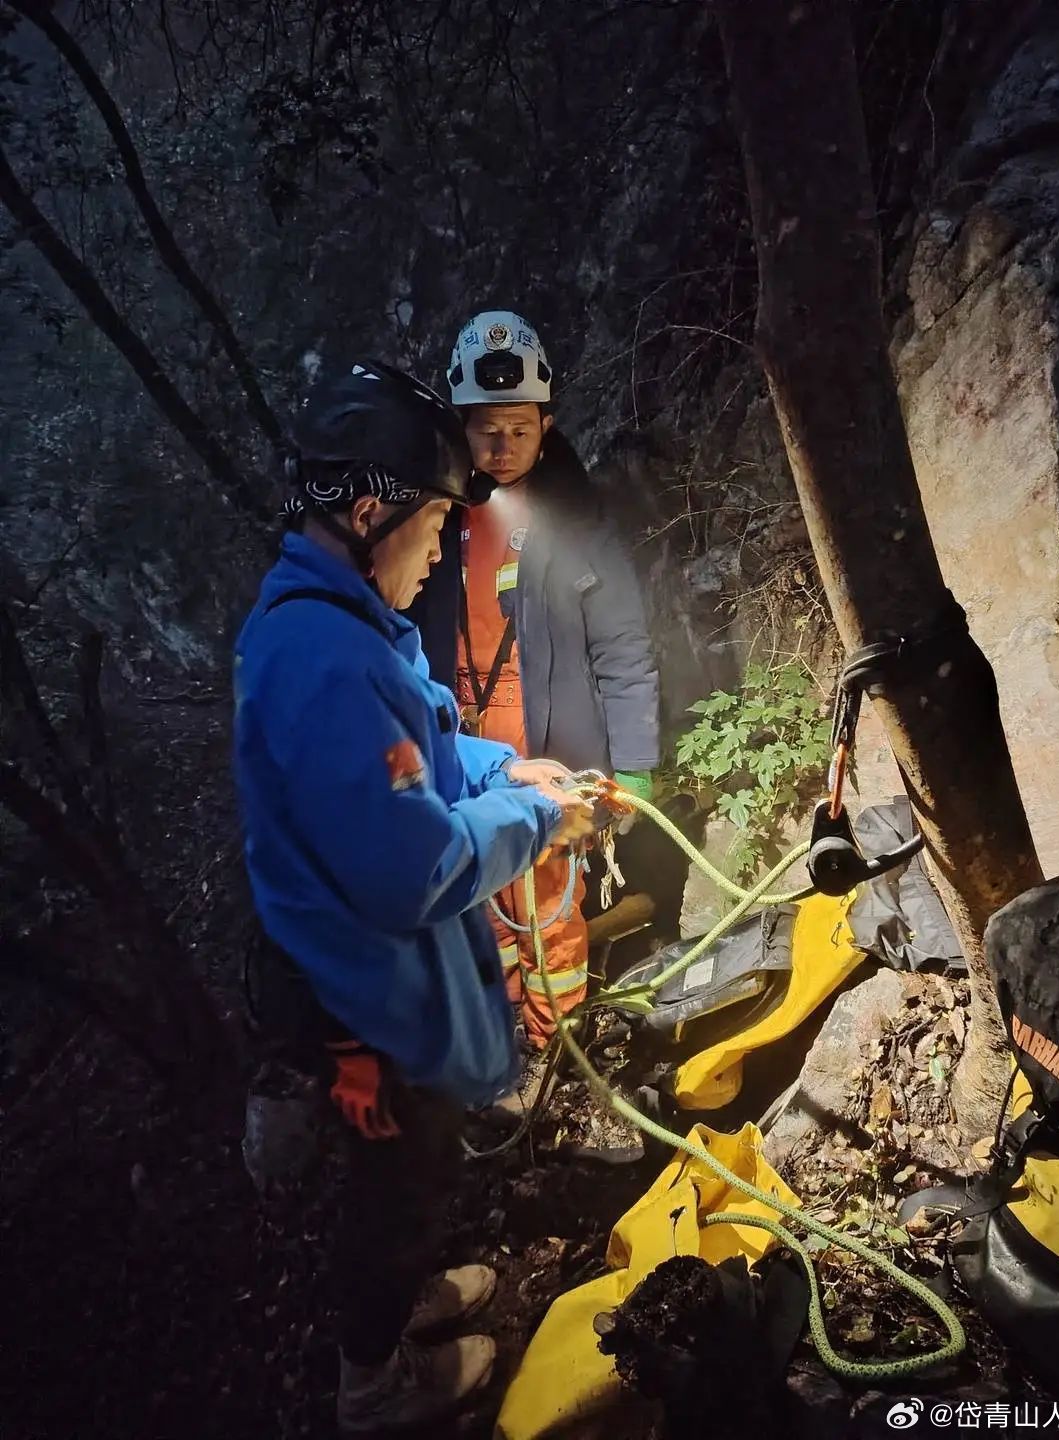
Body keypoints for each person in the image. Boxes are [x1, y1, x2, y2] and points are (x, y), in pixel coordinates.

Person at [232, 360, 594, 1434]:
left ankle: (396, 1309)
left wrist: (504, 773)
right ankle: (374, 1380)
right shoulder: (324, 659)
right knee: (394, 1192)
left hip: (384, 991)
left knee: (417, 1176)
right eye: (433, 522)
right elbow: (408, 868)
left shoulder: (345, 624)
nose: (441, 547)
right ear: (368, 509)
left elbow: (423, 746)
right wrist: (538, 819)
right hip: (366, 1011)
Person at [410, 310, 660, 1047]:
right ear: (460, 425)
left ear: (546, 425)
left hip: (548, 740)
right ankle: (507, 1028)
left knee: (550, 902)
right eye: (486, 428)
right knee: (481, 900)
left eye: (520, 428)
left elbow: (622, 646)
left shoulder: (577, 518)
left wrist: (638, 763)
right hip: (459, 744)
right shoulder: (430, 516)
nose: (503, 445)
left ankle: (561, 1041)